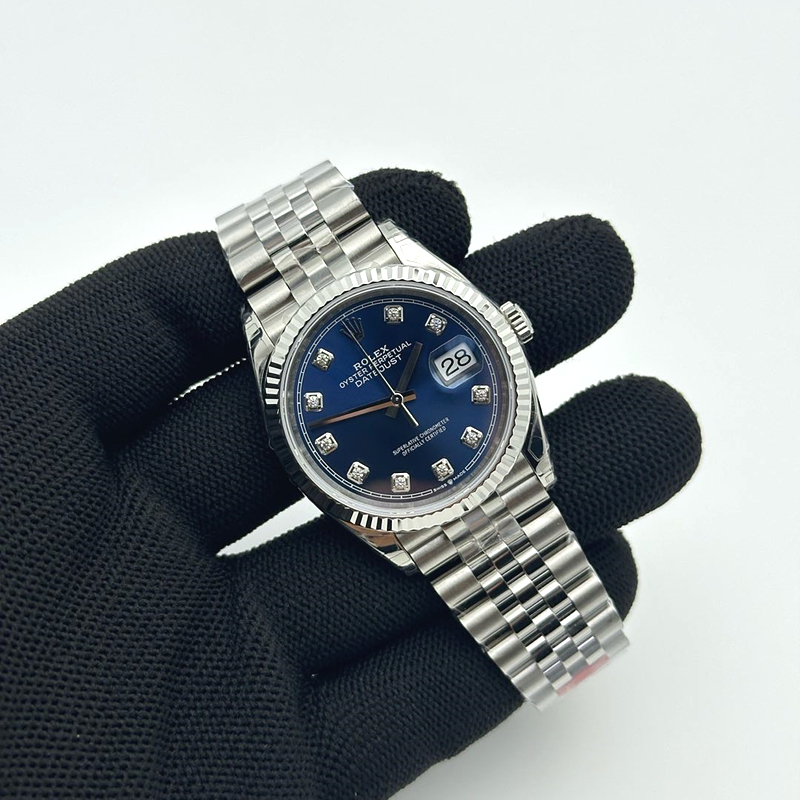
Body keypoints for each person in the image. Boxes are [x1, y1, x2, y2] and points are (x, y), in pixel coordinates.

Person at [0, 167, 701, 799]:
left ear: (506, 329)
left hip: (478, 466)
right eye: (379, 401)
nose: (396, 401)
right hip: (413, 492)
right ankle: (563, 646)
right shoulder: (302, 413)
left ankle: (565, 644)